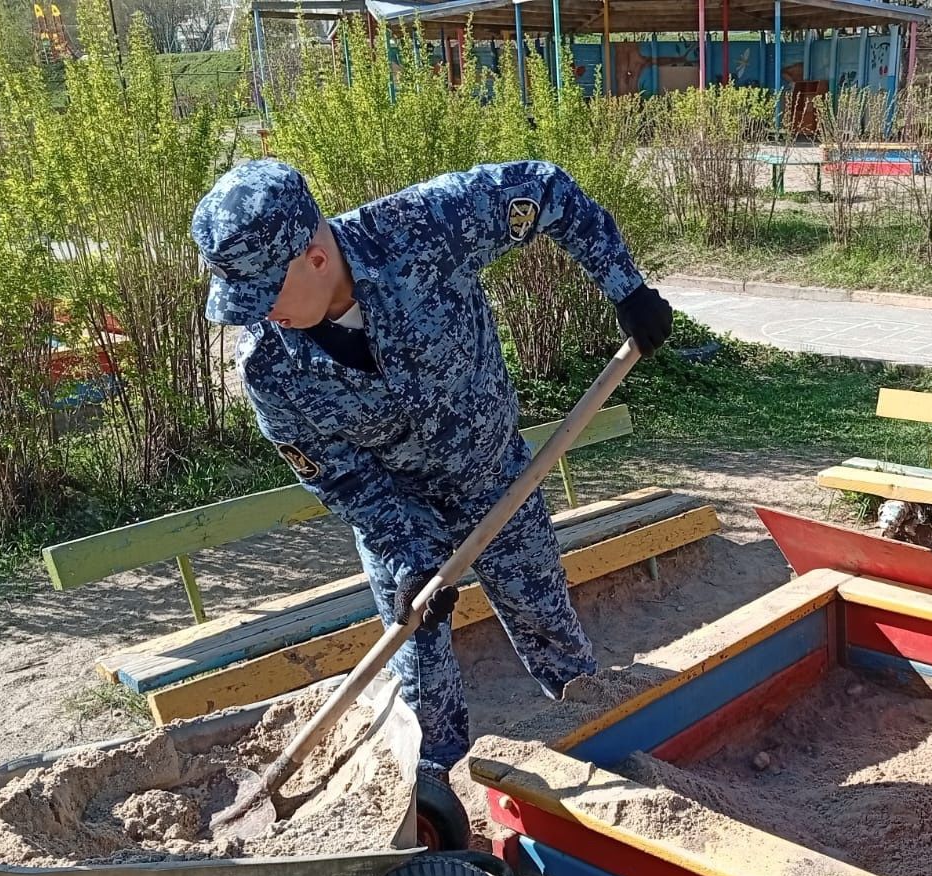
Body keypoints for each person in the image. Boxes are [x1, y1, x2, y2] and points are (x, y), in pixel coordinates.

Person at [191, 158, 673, 801]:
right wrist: (407, 552)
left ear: (313, 256)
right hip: (398, 514)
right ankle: (435, 807)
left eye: (265, 294)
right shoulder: (268, 367)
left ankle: (605, 752)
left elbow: (547, 190)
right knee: (420, 679)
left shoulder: (423, 229)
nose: (260, 317)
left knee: (550, 631)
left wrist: (626, 287)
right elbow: (338, 476)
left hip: (496, 479)